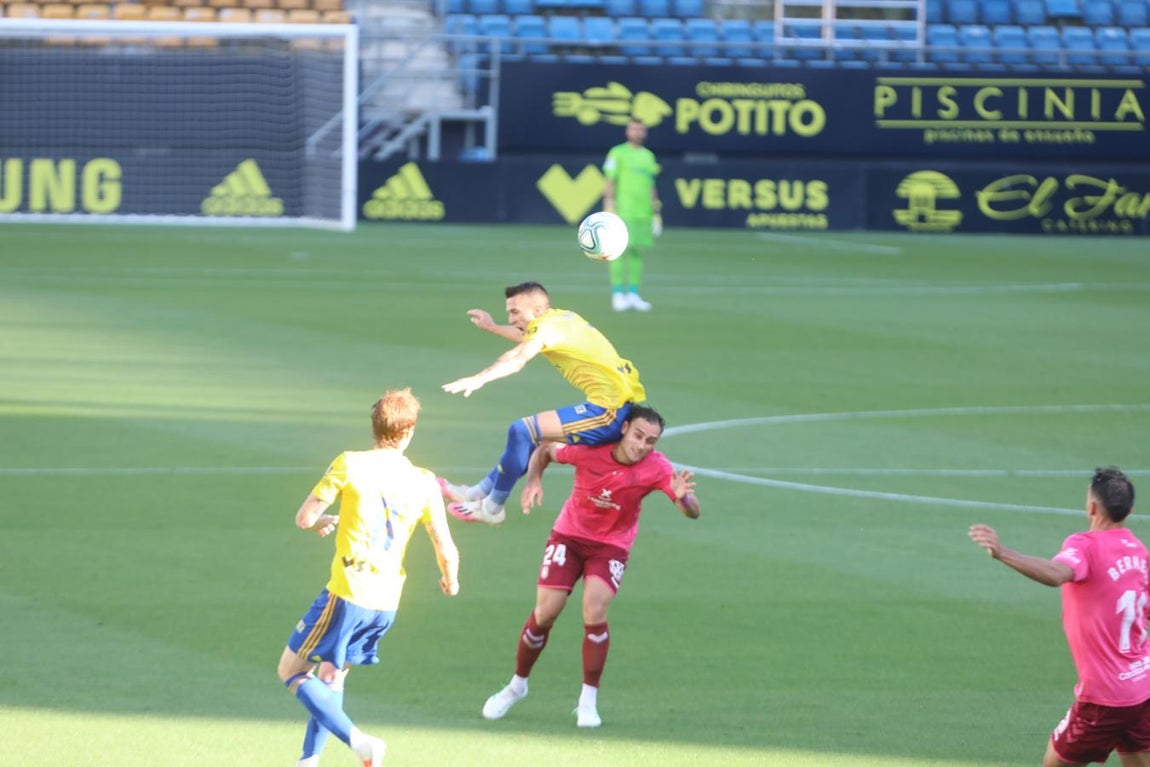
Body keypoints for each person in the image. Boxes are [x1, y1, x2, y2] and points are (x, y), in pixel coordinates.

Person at [479, 405, 700, 728]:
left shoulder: (657, 468)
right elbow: (544, 450)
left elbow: (693, 512)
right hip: (568, 536)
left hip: (611, 546)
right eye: (638, 435)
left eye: (650, 441)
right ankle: (516, 686)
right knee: (545, 612)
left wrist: (683, 499)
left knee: (594, 610)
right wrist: (533, 482)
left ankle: (587, 702)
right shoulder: (587, 449)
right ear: (623, 429)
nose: (642, 445)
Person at [276, 388, 460, 767]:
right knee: (332, 675)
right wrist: (450, 579)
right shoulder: (424, 481)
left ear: (375, 427)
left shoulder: (350, 463)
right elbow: (446, 546)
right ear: (408, 433)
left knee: (291, 670)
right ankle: (308, 761)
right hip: (386, 601)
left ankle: (358, 740)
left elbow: (304, 518)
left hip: (348, 593)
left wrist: (320, 523)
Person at [968, 466, 1150, 767]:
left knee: (1054, 764)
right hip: (1142, 687)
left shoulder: (1085, 545)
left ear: (1091, 506)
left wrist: (1003, 553)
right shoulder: (1139, 552)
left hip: (1104, 697)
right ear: (1129, 510)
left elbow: (1056, 573)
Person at [440, 281, 647, 526]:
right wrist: (493, 327)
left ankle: (493, 508)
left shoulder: (547, 328)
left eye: (515, 311)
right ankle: (476, 494)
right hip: (611, 405)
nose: (511, 317)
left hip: (609, 411)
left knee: (522, 430)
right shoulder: (560, 318)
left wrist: (480, 378)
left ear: (537, 310)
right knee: (531, 436)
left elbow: (518, 358)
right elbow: (526, 337)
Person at [602, 117, 662, 313]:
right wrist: (609, 206)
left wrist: (656, 211)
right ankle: (618, 294)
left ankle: (634, 294)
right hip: (623, 211)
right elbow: (610, 181)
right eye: (634, 129)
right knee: (618, 252)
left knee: (638, 251)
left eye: (640, 129)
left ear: (644, 133)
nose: (637, 132)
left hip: (643, 213)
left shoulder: (648, 156)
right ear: (628, 132)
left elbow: (651, 184)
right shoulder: (617, 153)